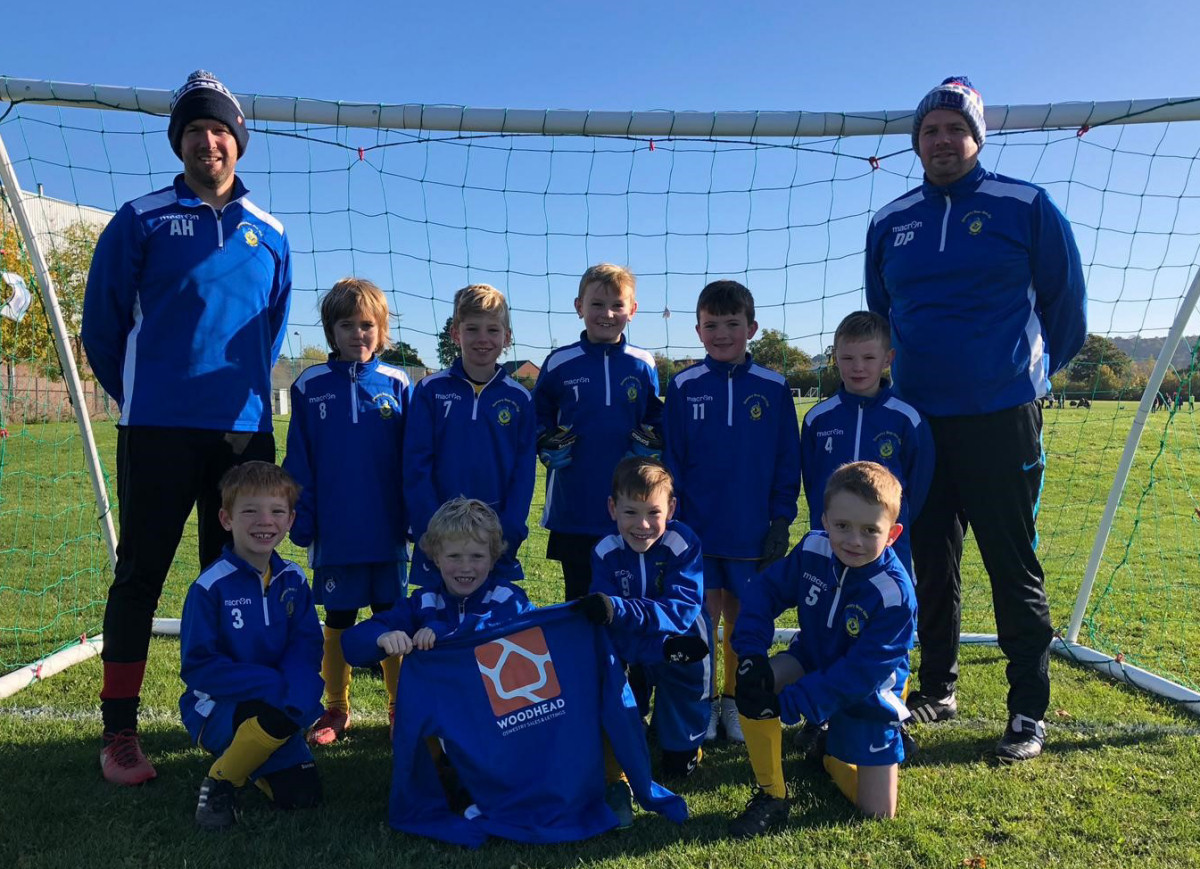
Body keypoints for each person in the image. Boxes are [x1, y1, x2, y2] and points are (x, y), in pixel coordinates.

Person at [865, 76, 1087, 761]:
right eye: (930, 130)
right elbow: (881, 316)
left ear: (978, 137)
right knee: (930, 561)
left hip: (1001, 419)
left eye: (955, 129)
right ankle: (939, 687)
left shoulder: (1026, 206)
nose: (942, 140)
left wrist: (1021, 380)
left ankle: (1027, 710)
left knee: (1011, 563)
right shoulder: (889, 221)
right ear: (916, 141)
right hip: (919, 424)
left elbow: (1067, 310)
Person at [82, 69, 292, 785]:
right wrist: (147, 396)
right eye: (196, 130)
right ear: (179, 142)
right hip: (158, 429)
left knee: (237, 577)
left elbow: (269, 334)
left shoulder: (272, 234)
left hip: (243, 435)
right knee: (140, 573)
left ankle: (234, 719)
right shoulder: (139, 219)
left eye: (221, 129)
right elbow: (103, 327)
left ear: (239, 141)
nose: (210, 141)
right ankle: (119, 730)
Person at [729, 462, 916, 836]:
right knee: (755, 682)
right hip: (811, 658)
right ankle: (773, 795)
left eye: (870, 530)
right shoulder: (813, 547)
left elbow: (860, 675)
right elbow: (765, 592)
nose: (854, 541)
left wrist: (790, 704)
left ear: (892, 534)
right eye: (842, 526)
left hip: (868, 692)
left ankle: (828, 752)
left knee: (878, 813)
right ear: (825, 520)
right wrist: (750, 653)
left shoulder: (895, 595)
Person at [663, 280, 801, 745]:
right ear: (697, 331)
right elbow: (672, 460)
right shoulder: (683, 386)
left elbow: (787, 459)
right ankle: (702, 703)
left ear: (752, 328)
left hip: (751, 531)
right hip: (696, 532)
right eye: (711, 325)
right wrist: (673, 522)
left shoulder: (774, 387)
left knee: (744, 624)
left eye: (732, 324)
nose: (721, 334)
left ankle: (736, 701)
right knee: (700, 622)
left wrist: (780, 518)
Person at [281, 277, 411, 746]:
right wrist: (303, 515)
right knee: (338, 619)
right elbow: (299, 459)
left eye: (367, 325)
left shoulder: (398, 382)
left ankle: (400, 707)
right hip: (335, 530)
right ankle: (336, 708)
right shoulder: (310, 385)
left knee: (391, 616)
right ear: (330, 331)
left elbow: (413, 458)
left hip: (388, 529)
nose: (358, 334)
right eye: (347, 325)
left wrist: (414, 516)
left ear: (381, 329)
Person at [178, 462, 323, 831]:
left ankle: (252, 760)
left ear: (290, 520)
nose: (265, 521)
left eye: (277, 512)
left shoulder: (293, 579)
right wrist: (272, 685)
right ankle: (221, 780)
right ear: (226, 519)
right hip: (217, 707)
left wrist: (301, 688)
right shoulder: (209, 587)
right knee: (275, 712)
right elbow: (199, 667)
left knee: (303, 796)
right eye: (250, 511)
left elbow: (306, 645)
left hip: (276, 700)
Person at [577, 457, 711, 827]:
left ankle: (684, 741)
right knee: (615, 683)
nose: (643, 524)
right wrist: (614, 614)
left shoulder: (683, 543)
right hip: (632, 644)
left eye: (654, 512)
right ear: (612, 508)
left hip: (681, 642)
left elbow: (680, 611)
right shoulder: (604, 551)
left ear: (672, 508)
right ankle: (629, 730)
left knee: (678, 764)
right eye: (630, 512)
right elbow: (607, 618)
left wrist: (621, 609)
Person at [533, 264, 663, 601]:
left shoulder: (643, 363)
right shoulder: (559, 363)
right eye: (597, 304)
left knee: (630, 599)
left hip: (631, 507)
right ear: (579, 307)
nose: (607, 314)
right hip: (573, 505)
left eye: (617, 305)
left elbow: (655, 418)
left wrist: (652, 444)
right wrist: (544, 441)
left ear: (632, 310)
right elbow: (537, 415)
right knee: (580, 601)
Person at [404, 284, 535, 586]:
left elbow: (524, 471)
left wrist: (510, 528)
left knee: (493, 613)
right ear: (455, 333)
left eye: (493, 330)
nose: (482, 338)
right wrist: (429, 527)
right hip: (441, 538)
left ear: (507, 337)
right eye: (472, 329)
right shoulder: (430, 391)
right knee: (434, 614)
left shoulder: (520, 398)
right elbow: (415, 465)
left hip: (495, 539)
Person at [800, 311, 933, 577]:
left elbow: (918, 485)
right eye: (848, 358)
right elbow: (812, 481)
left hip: (886, 545)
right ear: (835, 358)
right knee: (830, 599)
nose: (858, 367)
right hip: (831, 540)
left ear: (888, 359)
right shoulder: (818, 419)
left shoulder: (907, 419)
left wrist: (890, 518)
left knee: (887, 601)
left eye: (869, 358)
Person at [341, 496, 536, 667]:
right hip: (438, 698)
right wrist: (383, 637)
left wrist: (444, 631)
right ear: (436, 558)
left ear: (493, 559)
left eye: (477, 556)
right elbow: (352, 645)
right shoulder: (423, 603)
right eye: (454, 556)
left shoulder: (507, 599)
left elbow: (529, 632)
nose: (465, 567)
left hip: (492, 698)